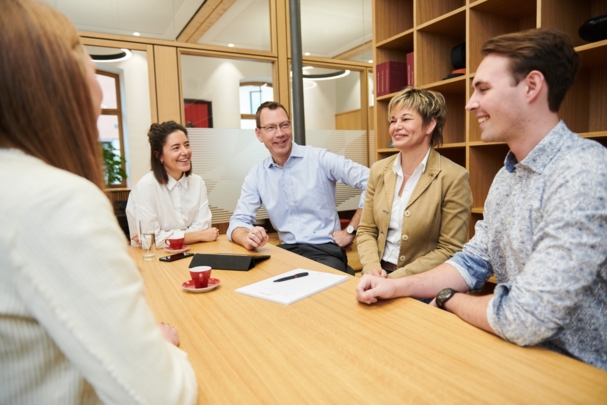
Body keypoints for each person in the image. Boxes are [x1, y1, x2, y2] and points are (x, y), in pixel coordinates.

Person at [356, 28, 607, 371]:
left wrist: (448, 299)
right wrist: (397, 287)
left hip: (574, 370)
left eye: (483, 89)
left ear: (532, 86)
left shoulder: (583, 172)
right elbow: (471, 262)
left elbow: (525, 317)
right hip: (514, 353)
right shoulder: (507, 176)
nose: (470, 103)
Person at [0, 1, 198, 403]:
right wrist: (155, 348)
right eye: (86, 61)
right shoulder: (55, 202)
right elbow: (160, 395)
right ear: (61, 83)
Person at [227, 101, 370, 274]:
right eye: (271, 128)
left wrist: (351, 230)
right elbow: (238, 221)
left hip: (325, 251)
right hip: (286, 252)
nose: (280, 133)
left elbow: (372, 180)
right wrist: (247, 238)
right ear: (259, 134)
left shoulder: (319, 159)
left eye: (284, 125)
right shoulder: (257, 175)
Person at [357, 87, 472, 279]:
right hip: (375, 276)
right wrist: (372, 269)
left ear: (430, 125)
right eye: (393, 120)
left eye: (406, 119)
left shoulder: (454, 177)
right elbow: (366, 230)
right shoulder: (378, 170)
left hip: (421, 282)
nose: (396, 126)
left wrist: (393, 281)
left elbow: (450, 249)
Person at [126, 121, 219, 248]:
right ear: (159, 155)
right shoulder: (146, 186)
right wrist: (199, 235)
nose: (185, 152)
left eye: (186, 145)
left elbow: (203, 226)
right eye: (176, 148)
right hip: (153, 259)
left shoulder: (198, 183)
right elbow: (150, 239)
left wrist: (164, 237)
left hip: (192, 252)